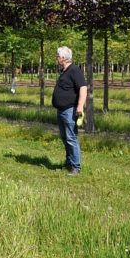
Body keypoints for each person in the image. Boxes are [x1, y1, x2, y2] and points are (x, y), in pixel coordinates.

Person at [51, 46, 87, 176]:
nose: (56, 58)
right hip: (61, 110)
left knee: (71, 138)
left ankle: (76, 167)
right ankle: (69, 163)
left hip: (69, 110)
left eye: (57, 56)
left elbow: (83, 88)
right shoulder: (64, 71)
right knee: (65, 138)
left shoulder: (74, 70)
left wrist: (80, 106)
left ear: (63, 58)